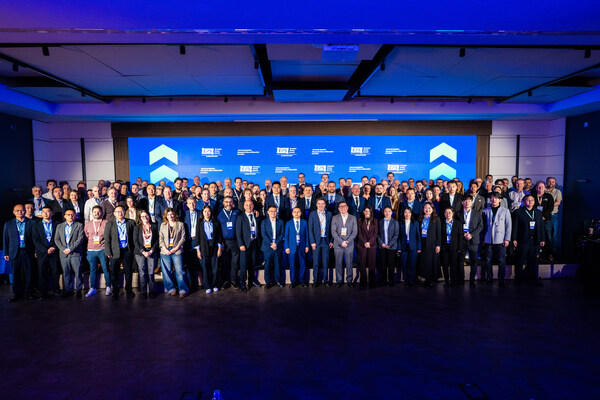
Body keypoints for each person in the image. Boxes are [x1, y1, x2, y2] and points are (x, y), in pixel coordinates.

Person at [512, 195, 545, 287]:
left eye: (532, 200)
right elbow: (515, 227)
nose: (530, 202)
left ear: (534, 202)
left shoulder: (538, 212)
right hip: (522, 240)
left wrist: (542, 239)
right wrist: (514, 238)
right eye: (527, 200)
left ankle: (533, 279)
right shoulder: (518, 212)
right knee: (520, 260)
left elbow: (541, 227)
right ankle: (518, 279)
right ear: (523, 201)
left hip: (534, 240)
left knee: (533, 261)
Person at [104, 205, 136, 299]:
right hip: (115, 252)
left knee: (128, 272)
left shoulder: (131, 222)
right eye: (117, 212)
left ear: (125, 212)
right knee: (114, 273)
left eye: (121, 211)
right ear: (114, 213)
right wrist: (108, 252)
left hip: (127, 251)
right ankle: (115, 292)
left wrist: (133, 251)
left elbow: (134, 237)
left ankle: (129, 290)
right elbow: (107, 239)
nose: (120, 213)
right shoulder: (109, 224)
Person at [481, 193, 512, 287]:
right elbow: (482, 226)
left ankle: (501, 279)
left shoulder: (505, 211)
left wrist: (507, 239)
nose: (494, 200)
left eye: (496, 198)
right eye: (492, 198)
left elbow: (508, 225)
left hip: (500, 239)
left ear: (500, 200)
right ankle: (489, 278)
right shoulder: (485, 211)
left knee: (501, 260)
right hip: (488, 238)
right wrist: (483, 238)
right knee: (488, 260)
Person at [31, 206, 60, 299]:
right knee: (42, 273)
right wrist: (45, 250)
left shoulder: (58, 224)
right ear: (41, 214)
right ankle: (43, 293)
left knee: (55, 272)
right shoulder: (36, 225)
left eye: (48, 212)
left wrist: (54, 247)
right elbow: (35, 240)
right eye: (43, 212)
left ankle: (56, 291)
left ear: (52, 213)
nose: (46, 214)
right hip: (42, 253)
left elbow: (60, 238)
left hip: (54, 252)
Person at [54, 209, 85, 298]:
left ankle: (78, 290)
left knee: (78, 272)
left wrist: (70, 249)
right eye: (68, 214)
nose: (70, 216)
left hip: (75, 253)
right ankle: (68, 290)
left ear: (75, 216)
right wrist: (64, 249)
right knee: (66, 273)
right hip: (64, 254)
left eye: (72, 214)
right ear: (65, 216)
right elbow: (57, 239)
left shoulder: (79, 225)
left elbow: (80, 239)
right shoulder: (59, 226)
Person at [159, 208, 188, 298]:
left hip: (177, 250)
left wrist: (175, 248)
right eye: (168, 215)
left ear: (175, 215)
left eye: (171, 214)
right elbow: (160, 238)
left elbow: (183, 238)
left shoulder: (180, 224)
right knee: (166, 271)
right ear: (166, 216)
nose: (170, 216)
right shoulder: (163, 225)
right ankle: (171, 289)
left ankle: (183, 289)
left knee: (179, 270)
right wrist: (165, 249)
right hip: (165, 251)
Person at [456, 195, 483, 287]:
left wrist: (472, 234)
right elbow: (456, 227)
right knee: (460, 261)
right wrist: (463, 233)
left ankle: (472, 280)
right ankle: (461, 279)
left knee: (473, 261)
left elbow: (480, 226)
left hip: (473, 240)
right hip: (462, 240)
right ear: (462, 202)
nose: (467, 203)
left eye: (469, 201)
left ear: (472, 202)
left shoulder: (477, 213)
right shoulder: (458, 214)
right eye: (465, 201)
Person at [83, 206, 111, 297]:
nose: (96, 213)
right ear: (92, 213)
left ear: (101, 213)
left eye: (98, 211)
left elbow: (109, 236)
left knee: (106, 268)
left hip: (102, 249)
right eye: (94, 212)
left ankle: (108, 286)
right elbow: (86, 236)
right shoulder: (88, 224)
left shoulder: (106, 223)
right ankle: (93, 288)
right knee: (92, 270)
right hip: (91, 250)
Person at [236, 199, 262, 291]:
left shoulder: (256, 216)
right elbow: (238, 233)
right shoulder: (240, 217)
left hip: (254, 243)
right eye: (247, 205)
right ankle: (243, 283)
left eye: (250, 205)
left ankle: (251, 281)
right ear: (244, 206)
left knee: (252, 264)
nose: (249, 207)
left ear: (253, 206)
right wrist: (241, 244)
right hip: (245, 245)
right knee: (243, 265)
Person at [196, 205, 223, 294]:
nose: (207, 213)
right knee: (205, 268)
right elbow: (197, 238)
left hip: (214, 246)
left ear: (211, 213)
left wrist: (220, 249)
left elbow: (219, 236)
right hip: (204, 247)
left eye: (208, 211)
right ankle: (207, 286)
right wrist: (198, 251)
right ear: (202, 213)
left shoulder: (216, 222)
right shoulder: (199, 223)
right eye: (205, 211)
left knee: (215, 267)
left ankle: (215, 284)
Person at [133, 210, 159, 298]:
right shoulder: (137, 227)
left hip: (152, 251)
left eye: (146, 215)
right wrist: (143, 251)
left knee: (151, 272)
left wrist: (151, 250)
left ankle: (151, 291)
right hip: (140, 253)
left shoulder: (154, 226)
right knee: (143, 272)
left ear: (149, 216)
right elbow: (135, 241)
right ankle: (143, 291)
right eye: (143, 216)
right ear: (140, 218)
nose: (145, 218)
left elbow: (157, 240)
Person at [331, 202, 357, 287]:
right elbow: (333, 232)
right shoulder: (335, 218)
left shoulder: (353, 218)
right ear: (338, 209)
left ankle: (349, 281)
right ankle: (339, 280)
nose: (343, 208)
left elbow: (355, 232)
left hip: (349, 244)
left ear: (347, 207)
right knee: (338, 263)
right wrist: (341, 242)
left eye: (344, 206)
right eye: (341, 206)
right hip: (338, 244)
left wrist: (347, 241)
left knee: (349, 263)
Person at [216, 196, 241, 289]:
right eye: (226, 202)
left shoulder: (237, 212)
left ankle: (234, 281)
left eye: (230, 202)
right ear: (223, 203)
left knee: (235, 262)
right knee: (225, 262)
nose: (228, 204)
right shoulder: (219, 213)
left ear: (232, 203)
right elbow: (217, 229)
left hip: (235, 241)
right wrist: (220, 242)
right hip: (224, 242)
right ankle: (225, 281)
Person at [308, 198, 333, 287]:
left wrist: (331, 241)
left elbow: (332, 229)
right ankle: (315, 280)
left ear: (325, 205)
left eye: (322, 203)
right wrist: (312, 242)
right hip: (316, 242)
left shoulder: (329, 214)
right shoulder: (312, 214)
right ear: (316, 205)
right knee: (316, 262)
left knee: (325, 262)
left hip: (326, 241)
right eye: (319, 203)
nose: (321, 205)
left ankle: (325, 280)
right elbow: (310, 229)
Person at [284, 207, 310, 288]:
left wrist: (307, 245)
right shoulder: (288, 223)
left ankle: (302, 280)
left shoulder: (304, 222)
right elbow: (286, 236)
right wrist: (286, 247)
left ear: (301, 213)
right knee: (292, 265)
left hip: (302, 246)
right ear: (292, 213)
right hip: (292, 247)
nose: (296, 213)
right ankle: (293, 281)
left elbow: (307, 235)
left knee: (303, 264)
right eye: (294, 212)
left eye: (298, 212)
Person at [261, 205, 285, 288]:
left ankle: (278, 280)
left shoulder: (280, 221)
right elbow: (263, 234)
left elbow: (282, 234)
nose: (273, 212)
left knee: (278, 264)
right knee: (267, 265)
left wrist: (276, 243)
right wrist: (271, 244)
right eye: (271, 211)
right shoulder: (264, 222)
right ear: (268, 212)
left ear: (277, 212)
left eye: (275, 211)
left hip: (278, 246)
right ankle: (268, 282)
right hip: (267, 247)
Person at [418, 202, 441, 287]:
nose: (427, 210)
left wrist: (438, 245)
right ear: (423, 209)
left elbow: (439, 233)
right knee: (424, 261)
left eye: (429, 208)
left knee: (431, 262)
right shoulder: (420, 218)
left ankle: (430, 279)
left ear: (432, 209)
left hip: (432, 243)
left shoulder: (436, 219)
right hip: (422, 242)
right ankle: (426, 278)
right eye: (425, 208)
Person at [439, 208, 463, 288]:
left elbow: (460, 236)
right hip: (444, 247)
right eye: (446, 213)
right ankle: (446, 281)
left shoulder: (458, 223)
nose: (448, 214)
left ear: (453, 213)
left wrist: (459, 248)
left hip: (454, 247)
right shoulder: (441, 223)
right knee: (445, 264)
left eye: (449, 213)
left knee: (453, 265)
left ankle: (453, 281)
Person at [356, 206, 379, 288]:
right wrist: (365, 242)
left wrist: (369, 242)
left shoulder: (375, 221)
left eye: (369, 211)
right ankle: (363, 283)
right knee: (362, 264)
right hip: (362, 245)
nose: (367, 213)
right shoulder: (359, 220)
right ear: (363, 212)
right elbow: (359, 233)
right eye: (366, 211)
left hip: (372, 245)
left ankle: (372, 282)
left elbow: (375, 233)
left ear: (371, 212)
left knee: (372, 264)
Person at [398, 207, 421, 287]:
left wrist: (419, 247)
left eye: (409, 212)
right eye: (405, 212)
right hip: (403, 247)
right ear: (403, 214)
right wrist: (399, 247)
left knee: (412, 265)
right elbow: (399, 237)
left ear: (411, 214)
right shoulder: (400, 223)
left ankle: (411, 281)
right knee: (404, 265)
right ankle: (406, 281)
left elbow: (418, 236)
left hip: (413, 247)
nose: (407, 214)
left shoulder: (415, 223)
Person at [378, 206, 399, 287]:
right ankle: (383, 281)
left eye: (389, 211)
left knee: (391, 265)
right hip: (382, 246)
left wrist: (389, 244)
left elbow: (396, 234)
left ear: (391, 213)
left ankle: (391, 282)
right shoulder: (380, 222)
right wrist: (382, 244)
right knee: (383, 265)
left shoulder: (395, 222)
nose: (387, 213)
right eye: (385, 211)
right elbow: (377, 234)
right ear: (383, 212)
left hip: (392, 247)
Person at [533, 181, 554, 261]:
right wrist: (537, 217)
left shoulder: (549, 196)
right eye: (539, 187)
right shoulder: (532, 196)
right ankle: (537, 252)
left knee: (548, 237)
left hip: (546, 219)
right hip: (535, 219)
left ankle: (549, 253)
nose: (540, 188)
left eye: (542, 187)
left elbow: (550, 208)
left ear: (544, 188)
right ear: (536, 188)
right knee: (536, 236)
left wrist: (544, 216)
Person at [545, 177, 562, 256]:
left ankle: (553, 252)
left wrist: (548, 207)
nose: (551, 183)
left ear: (555, 183)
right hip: (543, 215)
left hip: (553, 215)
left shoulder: (557, 191)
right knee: (544, 234)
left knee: (553, 234)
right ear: (546, 182)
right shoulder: (543, 190)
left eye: (553, 182)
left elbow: (558, 202)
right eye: (549, 181)